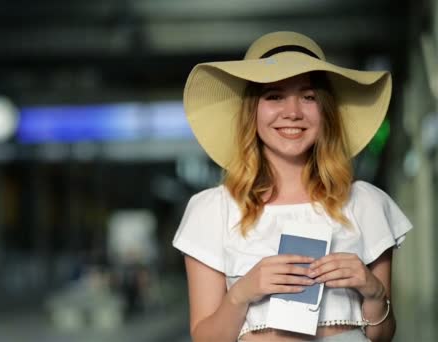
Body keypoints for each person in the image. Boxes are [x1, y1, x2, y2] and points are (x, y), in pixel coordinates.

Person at [172, 31, 412, 342]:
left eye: (308, 97)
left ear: (324, 110)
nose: (293, 112)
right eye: (274, 96)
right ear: (251, 112)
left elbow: (382, 335)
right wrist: (242, 293)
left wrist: (374, 292)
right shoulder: (212, 210)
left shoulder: (365, 202)